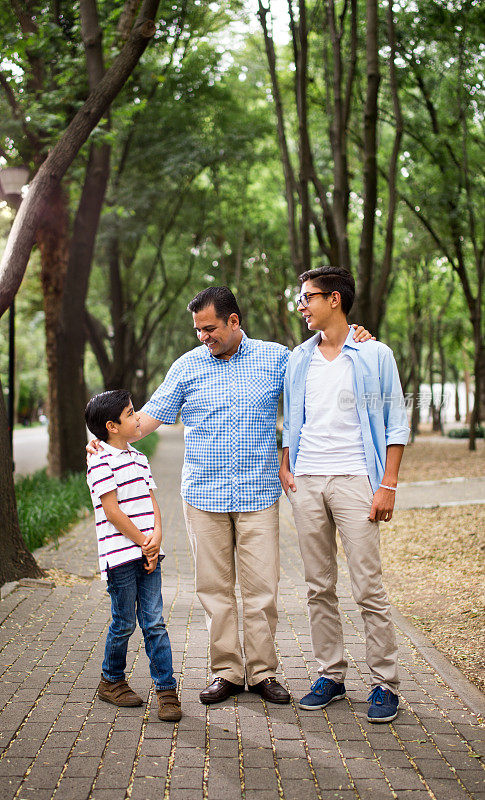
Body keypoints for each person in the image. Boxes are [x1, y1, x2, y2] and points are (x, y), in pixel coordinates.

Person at [87, 287, 371, 705]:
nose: (203, 336)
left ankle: (262, 674)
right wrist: (99, 439)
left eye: (210, 328)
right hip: (203, 497)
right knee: (214, 591)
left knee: (262, 592)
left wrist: (355, 334)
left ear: (234, 321)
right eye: (198, 329)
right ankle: (227, 672)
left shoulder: (276, 358)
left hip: (258, 495)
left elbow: (323, 364)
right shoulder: (187, 367)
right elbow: (144, 420)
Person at [280, 267, 409, 724]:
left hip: (357, 479)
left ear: (334, 299)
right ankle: (330, 675)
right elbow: (293, 415)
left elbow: (396, 421)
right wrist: (286, 464)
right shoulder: (299, 358)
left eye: (307, 298)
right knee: (319, 587)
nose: (300, 306)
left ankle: (384, 683)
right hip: (308, 482)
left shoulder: (374, 355)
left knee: (368, 587)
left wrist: (387, 484)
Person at [85, 390, 181, 722]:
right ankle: (111, 680)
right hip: (121, 555)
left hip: (147, 551)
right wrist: (143, 541)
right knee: (124, 622)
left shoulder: (139, 457)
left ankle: (166, 690)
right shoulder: (98, 460)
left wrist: (156, 538)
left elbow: (152, 500)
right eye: (130, 413)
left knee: (154, 622)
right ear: (112, 426)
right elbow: (111, 511)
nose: (138, 416)